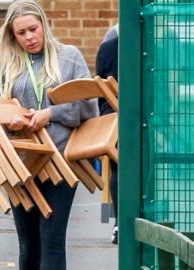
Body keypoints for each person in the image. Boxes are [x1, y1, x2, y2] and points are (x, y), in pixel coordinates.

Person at [0, 1, 98, 269]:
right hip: (20, 161)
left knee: (52, 238)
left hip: (61, 162)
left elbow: (88, 104)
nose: (29, 38)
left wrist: (51, 113)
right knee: (28, 242)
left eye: (33, 29)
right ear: (12, 35)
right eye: (21, 33)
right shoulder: (3, 64)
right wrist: (8, 119)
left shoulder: (68, 57)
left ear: (44, 25)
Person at [96, 32, 119, 244]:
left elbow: (100, 93)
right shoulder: (153, 42)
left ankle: (119, 223)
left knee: (117, 168)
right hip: (147, 116)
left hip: (112, 118)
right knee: (145, 168)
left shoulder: (107, 47)